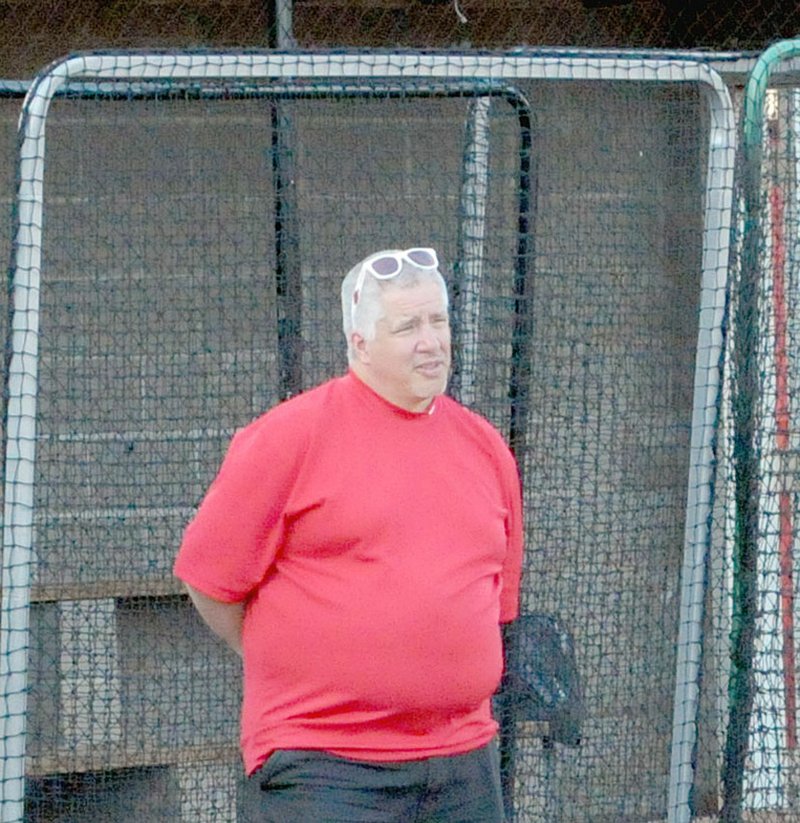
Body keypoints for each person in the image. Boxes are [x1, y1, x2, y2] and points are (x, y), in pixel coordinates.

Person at [174, 247, 524, 822]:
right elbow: (209, 579)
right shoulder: (290, 437)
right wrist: (280, 656)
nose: (431, 341)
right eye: (408, 326)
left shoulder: (486, 448)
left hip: (464, 763)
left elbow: (494, 605)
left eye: (438, 320)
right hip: (325, 768)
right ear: (359, 343)